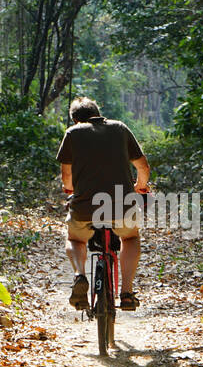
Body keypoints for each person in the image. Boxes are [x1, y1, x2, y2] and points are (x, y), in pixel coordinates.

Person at [56, 97, 149, 311]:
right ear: (97, 112)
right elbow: (143, 167)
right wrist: (140, 186)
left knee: (75, 238)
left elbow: (66, 175)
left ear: (75, 119)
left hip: (84, 208)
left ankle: (80, 275)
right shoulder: (120, 128)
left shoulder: (73, 133)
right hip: (121, 207)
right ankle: (126, 293)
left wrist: (70, 188)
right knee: (131, 237)